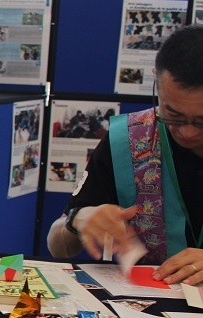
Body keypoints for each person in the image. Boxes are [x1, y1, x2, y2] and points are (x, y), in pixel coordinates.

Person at [47, 25, 203, 285]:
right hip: (146, 308)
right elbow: (57, 246)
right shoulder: (129, 140)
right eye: (173, 115)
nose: (186, 132)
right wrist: (78, 220)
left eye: (201, 121)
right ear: (156, 81)